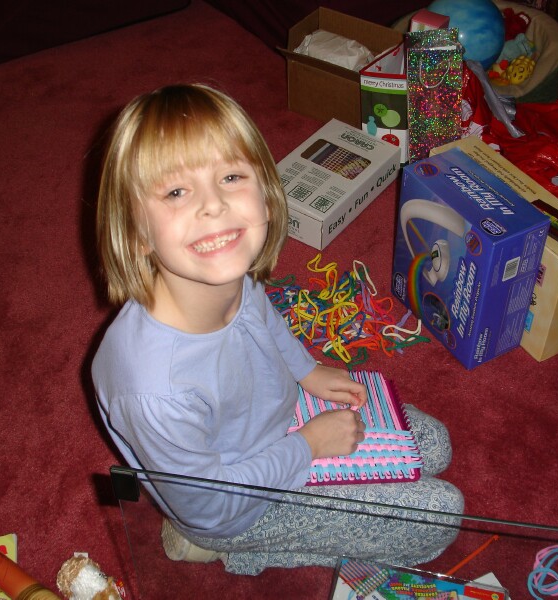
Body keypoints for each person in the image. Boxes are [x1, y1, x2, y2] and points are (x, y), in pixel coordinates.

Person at [91, 83, 463, 575]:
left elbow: (260, 313)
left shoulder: (224, 272)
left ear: (265, 194)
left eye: (230, 177)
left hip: (274, 424)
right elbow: (210, 505)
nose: (213, 205)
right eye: (177, 192)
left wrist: (305, 370)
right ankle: (229, 549)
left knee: (434, 443)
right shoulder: (154, 389)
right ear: (135, 231)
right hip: (236, 505)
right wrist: (308, 445)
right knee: (441, 514)